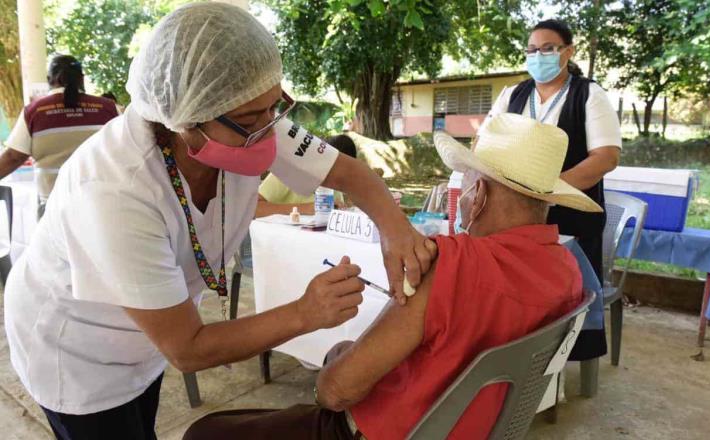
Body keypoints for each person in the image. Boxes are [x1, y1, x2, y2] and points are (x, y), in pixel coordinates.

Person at [3, 4, 435, 440]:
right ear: (185, 120)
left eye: (275, 108)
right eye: (252, 120)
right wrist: (305, 313)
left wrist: (396, 231)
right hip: (78, 350)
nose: (271, 132)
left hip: (143, 338)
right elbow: (187, 349)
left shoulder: (249, 112)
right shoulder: (114, 188)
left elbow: (348, 172)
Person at [183, 113, 600, 440]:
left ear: (480, 196)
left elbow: (336, 392)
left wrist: (331, 371)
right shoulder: (568, 269)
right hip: (474, 426)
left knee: (205, 432)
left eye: (468, 183)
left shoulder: (455, 261)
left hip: (384, 432)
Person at [478, 19, 621, 360]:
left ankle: (558, 362)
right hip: (513, 214)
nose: (537, 55)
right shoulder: (513, 94)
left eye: (546, 48)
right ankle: (511, 356)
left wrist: (551, 190)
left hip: (569, 216)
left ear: (567, 52)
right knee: (511, 293)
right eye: (531, 50)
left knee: (562, 295)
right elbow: (484, 141)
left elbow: (605, 157)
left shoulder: (588, 95)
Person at [0, 55, 119, 216]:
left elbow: (13, 157)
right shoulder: (109, 109)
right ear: (81, 79)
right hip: (100, 207)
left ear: (49, 79)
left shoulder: (35, 112)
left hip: (53, 209)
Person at [256, 134, 356, 217]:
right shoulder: (289, 171)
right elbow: (254, 209)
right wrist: (304, 209)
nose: (331, 180)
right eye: (328, 171)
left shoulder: (334, 185)